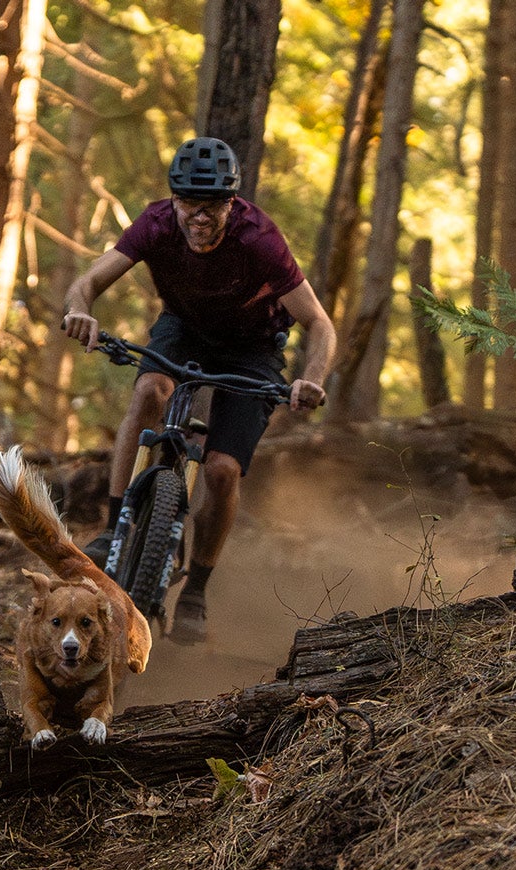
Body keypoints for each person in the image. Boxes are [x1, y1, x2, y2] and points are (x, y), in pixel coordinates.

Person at [60, 137, 337, 643]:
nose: (199, 217)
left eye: (211, 206)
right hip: (184, 328)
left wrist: (311, 378)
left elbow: (319, 323)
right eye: (188, 202)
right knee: (148, 394)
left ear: (232, 203)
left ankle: (196, 590)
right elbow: (88, 282)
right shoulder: (156, 224)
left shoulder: (260, 240)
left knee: (223, 470)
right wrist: (80, 311)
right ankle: (112, 525)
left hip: (252, 349)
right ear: (174, 201)